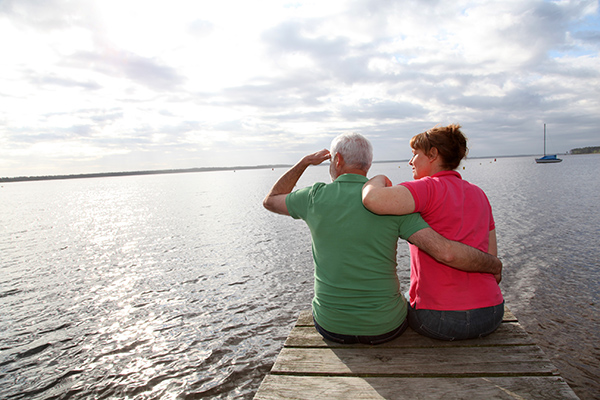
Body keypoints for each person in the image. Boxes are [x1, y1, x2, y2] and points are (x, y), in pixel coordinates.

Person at [263, 132, 501, 345]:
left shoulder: (314, 197)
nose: (410, 161)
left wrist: (305, 162)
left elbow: (271, 200)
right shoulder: (398, 206)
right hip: (387, 328)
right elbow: (446, 248)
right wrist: (493, 265)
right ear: (368, 163)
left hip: (330, 326)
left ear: (337, 161)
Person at [362, 124, 504, 341]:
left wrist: (378, 179)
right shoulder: (480, 194)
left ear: (433, 154)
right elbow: (491, 259)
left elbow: (372, 199)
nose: (410, 162)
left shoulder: (426, 188)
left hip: (439, 319)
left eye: (414, 154)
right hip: (492, 313)